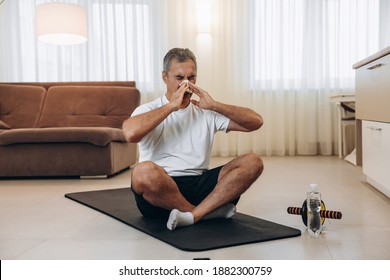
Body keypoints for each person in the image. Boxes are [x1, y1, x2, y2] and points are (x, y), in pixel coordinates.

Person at [122, 48, 264, 230]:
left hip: (200, 185)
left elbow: (255, 122)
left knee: (253, 162)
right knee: (142, 172)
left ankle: (193, 215)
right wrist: (171, 107)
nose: (186, 84)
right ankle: (204, 213)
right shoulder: (150, 109)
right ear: (165, 77)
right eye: (179, 78)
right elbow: (130, 134)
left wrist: (215, 105)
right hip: (160, 192)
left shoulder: (205, 111)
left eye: (191, 78)